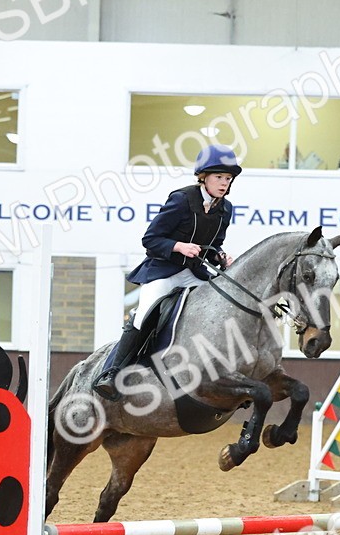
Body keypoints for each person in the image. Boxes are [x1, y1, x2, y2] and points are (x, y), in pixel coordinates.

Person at [92, 144, 242, 400]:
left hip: (194, 274)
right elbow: (150, 239)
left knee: (220, 306)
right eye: (219, 177)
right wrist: (179, 246)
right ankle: (111, 373)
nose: (224, 183)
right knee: (143, 315)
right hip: (164, 271)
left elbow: (214, 244)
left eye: (228, 178)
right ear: (203, 177)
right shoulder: (182, 199)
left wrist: (220, 256)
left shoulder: (225, 209)